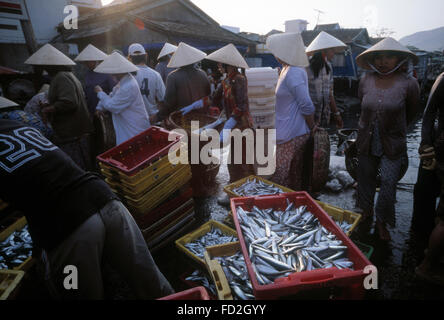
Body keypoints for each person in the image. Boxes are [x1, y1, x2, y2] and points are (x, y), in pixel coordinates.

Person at [0, 119, 174, 299]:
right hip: (105, 201)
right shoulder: (16, 124)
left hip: (67, 227)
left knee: (77, 293)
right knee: (151, 283)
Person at [355, 38, 420, 241]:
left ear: (400, 59)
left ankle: (382, 221)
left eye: (389, 57)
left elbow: (412, 113)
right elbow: (362, 104)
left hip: (392, 143)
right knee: (365, 179)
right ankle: (366, 212)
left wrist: (395, 128)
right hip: (366, 139)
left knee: (388, 183)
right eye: (379, 57)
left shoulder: (409, 83)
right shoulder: (365, 80)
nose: (383, 62)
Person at [179, 43, 255, 193]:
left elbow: (242, 106)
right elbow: (213, 99)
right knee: (234, 162)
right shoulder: (226, 81)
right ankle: (235, 191)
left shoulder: (240, 79)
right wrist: (194, 105)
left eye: (221, 64)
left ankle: (244, 193)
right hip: (231, 126)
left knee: (241, 161)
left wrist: (229, 123)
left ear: (228, 65)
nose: (219, 66)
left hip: (242, 127)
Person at [25, 44, 94, 171]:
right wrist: (51, 105)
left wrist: (48, 109)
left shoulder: (61, 77)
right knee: (83, 163)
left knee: (76, 166)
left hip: (71, 130)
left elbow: (70, 102)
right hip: (77, 129)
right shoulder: (68, 75)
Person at [266, 32, 316, 190]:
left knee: (283, 178)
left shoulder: (294, 71)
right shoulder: (285, 70)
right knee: (288, 178)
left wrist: (312, 126)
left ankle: (284, 208)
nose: (275, 55)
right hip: (285, 132)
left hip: (293, 134)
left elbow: (306, 104)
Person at [414, 72, 444, 285]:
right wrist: (426, 144)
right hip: (435, 151)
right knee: (426, 200)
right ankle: (426, 261)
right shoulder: (443, 79)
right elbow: (429, 113)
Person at [94, 52, 151, 145]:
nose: (111, 75)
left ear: (119, 71)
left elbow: (112, 105)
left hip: (134, 129)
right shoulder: (124, 82)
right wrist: (100, 107)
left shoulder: (128, 85)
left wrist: (100, 93)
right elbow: (112, 95)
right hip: (129, 126)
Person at [158, 42, 210, 122]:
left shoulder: (173, 77)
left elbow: (169, 102)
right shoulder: (203, 74)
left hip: (180, 118)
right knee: (195, 134)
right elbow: (208, 95)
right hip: (200, 118)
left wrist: (160, 116)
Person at [305, 31, 345, 129]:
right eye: (332, 50)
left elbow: (330, 93)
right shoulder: (307, 66)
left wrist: (336, 113)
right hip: (308, 117)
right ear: (324, 50)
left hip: (323, 116)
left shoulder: (329, 67)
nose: (334, 53)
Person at [74, 44, 117, 117]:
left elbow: (114, 93)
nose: (86, 64)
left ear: (95, 60)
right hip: (92, 111)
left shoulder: (107, 72)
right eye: (85, 62)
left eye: (88, 62)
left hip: (105, 112)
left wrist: (102, 107)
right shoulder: (88, 74)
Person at [127, 43, 165, 124]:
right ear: (146, 56)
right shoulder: (155, 75)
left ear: (129, 58)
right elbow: (163, 99)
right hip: (152, 120)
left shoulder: (126, 76)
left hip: (132, 122)